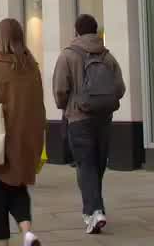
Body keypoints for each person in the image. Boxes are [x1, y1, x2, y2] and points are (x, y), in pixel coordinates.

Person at [0, 18, 46, 245]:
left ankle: (2, 241)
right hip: (26, 138)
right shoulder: (32, 67)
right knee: (18, 186)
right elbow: (39, 105)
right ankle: (27, 232)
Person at [52, 13, 125, 235]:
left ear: (77, 31)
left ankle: (95, 210)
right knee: (98, 164)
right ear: (95, 31)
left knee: (86, 165)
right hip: (103, 118)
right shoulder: (108, 57)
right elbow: (120, 89)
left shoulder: (68, 55)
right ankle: (91, 211)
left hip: (79, 118)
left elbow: (60, 90)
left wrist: (67, 105)